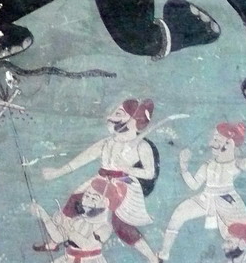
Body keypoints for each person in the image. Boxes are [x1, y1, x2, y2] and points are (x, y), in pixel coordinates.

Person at [41, 99, 161, 263]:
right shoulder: (107, 142)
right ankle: (55, 240)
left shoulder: (142, 146)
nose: (111, 117)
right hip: (101, 180)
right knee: (75, 199)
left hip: (123, 183)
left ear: (133, 119)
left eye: (119, 114)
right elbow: (82, 159)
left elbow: (149, 173)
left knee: (120, 224)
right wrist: (57, 172)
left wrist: (126, 168)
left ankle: (152, 258)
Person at [158, 123, 246, 261]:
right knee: (178, 214)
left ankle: (243, 259)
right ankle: (163, 254)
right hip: (207, 197)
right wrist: (184, 167)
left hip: (228, 201)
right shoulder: (208, 165)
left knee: (236, 238)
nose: (211, 143)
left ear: (229, 143)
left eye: (216, 139)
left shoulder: (237, 163)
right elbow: (194, 185)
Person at [29, 178, 119, 263]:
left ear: (105, 203)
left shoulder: (105, 227)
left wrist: (69, 230)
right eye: (86, 196)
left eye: (93, 199)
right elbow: (58, 237)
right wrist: (43, 215)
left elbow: (86, 245)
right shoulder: (77, 220)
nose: (86, 201)